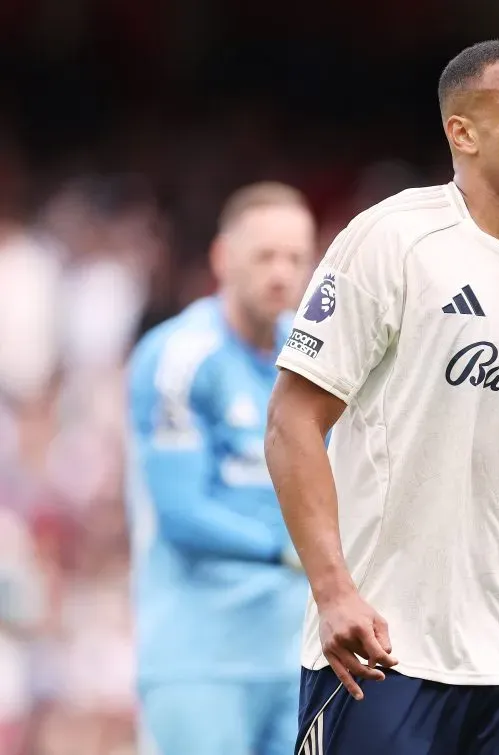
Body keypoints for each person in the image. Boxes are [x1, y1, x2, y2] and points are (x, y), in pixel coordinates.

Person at [266, 39, 499, 755]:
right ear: (461, 132)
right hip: (381, 649)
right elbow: (292, 421)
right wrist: (334, 590)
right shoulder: (392, 241)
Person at [126, 182, 316, 755]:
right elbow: (182, 513)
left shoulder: (311, 359)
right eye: (264, 256)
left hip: (294, 656)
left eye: (295, 258)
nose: (281, 272)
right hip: (200, 660)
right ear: (222, 258)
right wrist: (292, 550)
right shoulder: (179, 357)